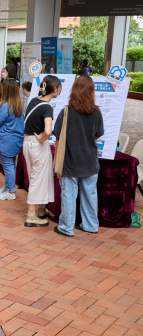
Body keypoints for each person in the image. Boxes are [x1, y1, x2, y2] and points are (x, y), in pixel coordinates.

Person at [52, 75, 103, 237]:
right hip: (90, 161)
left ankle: (66, 227)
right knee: (90, 195)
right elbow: (97, 135)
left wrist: (56, 161)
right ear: (91, 91)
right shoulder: (96, 112)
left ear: (74, 90)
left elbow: (58, 138)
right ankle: (91, 225)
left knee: (68, 195)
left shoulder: (66, 112)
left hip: (70, 162)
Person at [23, 75, 61, 227]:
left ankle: (41, 209)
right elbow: (48, 130)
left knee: (36, 177)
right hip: (38, 145)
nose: (60, 90)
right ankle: (31, 215)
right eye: (59, 88)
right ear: (54, 89)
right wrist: (41, 139)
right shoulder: (47, 108)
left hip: (27, 142)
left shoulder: (33, 101)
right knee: (38, 179)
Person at [0, 79, 24, 201]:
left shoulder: (6, 106)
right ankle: (8, 187)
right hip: (16, 139)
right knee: (11, 165)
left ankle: (10, 191)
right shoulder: (19, 104)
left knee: (8, 166)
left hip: (6, 139)